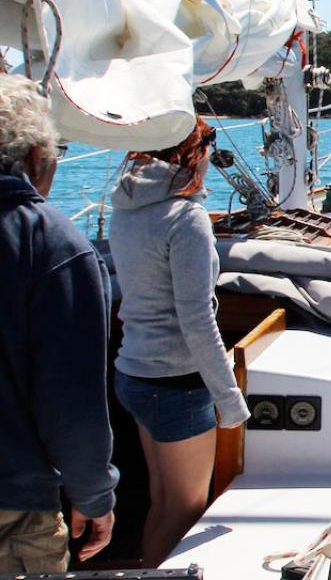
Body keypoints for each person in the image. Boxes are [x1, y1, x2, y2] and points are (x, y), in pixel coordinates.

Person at [109, 120, 249, 566]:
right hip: (175, 383)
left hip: (133, 373)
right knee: (186, 510)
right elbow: (197, 319)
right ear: (193, 153)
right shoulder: (186, 218)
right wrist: (229, 400)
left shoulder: (128, 205)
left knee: (162, 503)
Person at [0, 74, 118, 572]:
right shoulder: (50, 242)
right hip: (13, 499)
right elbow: (71, 400)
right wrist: (94, 495)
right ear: (35, 160)